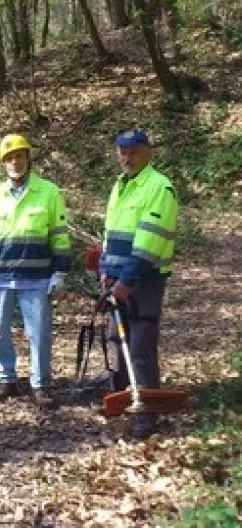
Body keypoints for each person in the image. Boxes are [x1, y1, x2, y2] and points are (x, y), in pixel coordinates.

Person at [0, 134, 70, 409]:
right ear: (3, 163)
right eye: (9, 158)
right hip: (0, 276)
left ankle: (40, 384)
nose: (15, 162)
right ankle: (7, 379)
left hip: (37, 277)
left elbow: (59, 237)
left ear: (28, 159)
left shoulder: (49, 192)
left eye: (19, 156)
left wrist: (60, 274)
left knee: (39, 333)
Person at [100, 129, 178, 439]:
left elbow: (149, 242)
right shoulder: (120, 186)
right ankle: (122, 401)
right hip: (117, 280)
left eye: (133, 151)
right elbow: (110, 235)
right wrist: (106, 271)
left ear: (148, 153)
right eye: (122, 151)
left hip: (144, 281)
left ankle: (147, 414)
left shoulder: (159, 187)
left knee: (140, 347)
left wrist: (127, 280)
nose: (127, 157)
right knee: (116, 340)